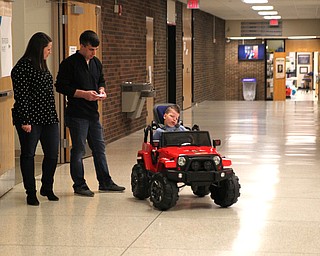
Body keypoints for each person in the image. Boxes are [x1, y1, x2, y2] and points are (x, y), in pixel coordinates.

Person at [55, 30, 125, 197]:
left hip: (93, 114)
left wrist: (101, 90)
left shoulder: (96, 62)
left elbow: (101, 80)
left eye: (95, 49)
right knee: (78, 150)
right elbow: (60, 86)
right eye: (91, 49)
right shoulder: (69, 64)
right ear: (82, 46)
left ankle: (105, 182)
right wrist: (83, 93)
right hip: (77, 114)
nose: (93, 53)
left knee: (99, 148)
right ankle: (79, 184)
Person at [11, 32, 59, 206]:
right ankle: (30, 192)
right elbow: (21, 96)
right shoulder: (22, 67)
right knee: (28, 154)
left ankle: (47, 187)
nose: (50, 52)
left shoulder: (42, 65)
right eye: (48, 49)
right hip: (29, 118)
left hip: (48, 117)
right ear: (39, 49)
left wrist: (54, 116)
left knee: (53, 154)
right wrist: (25, 120)